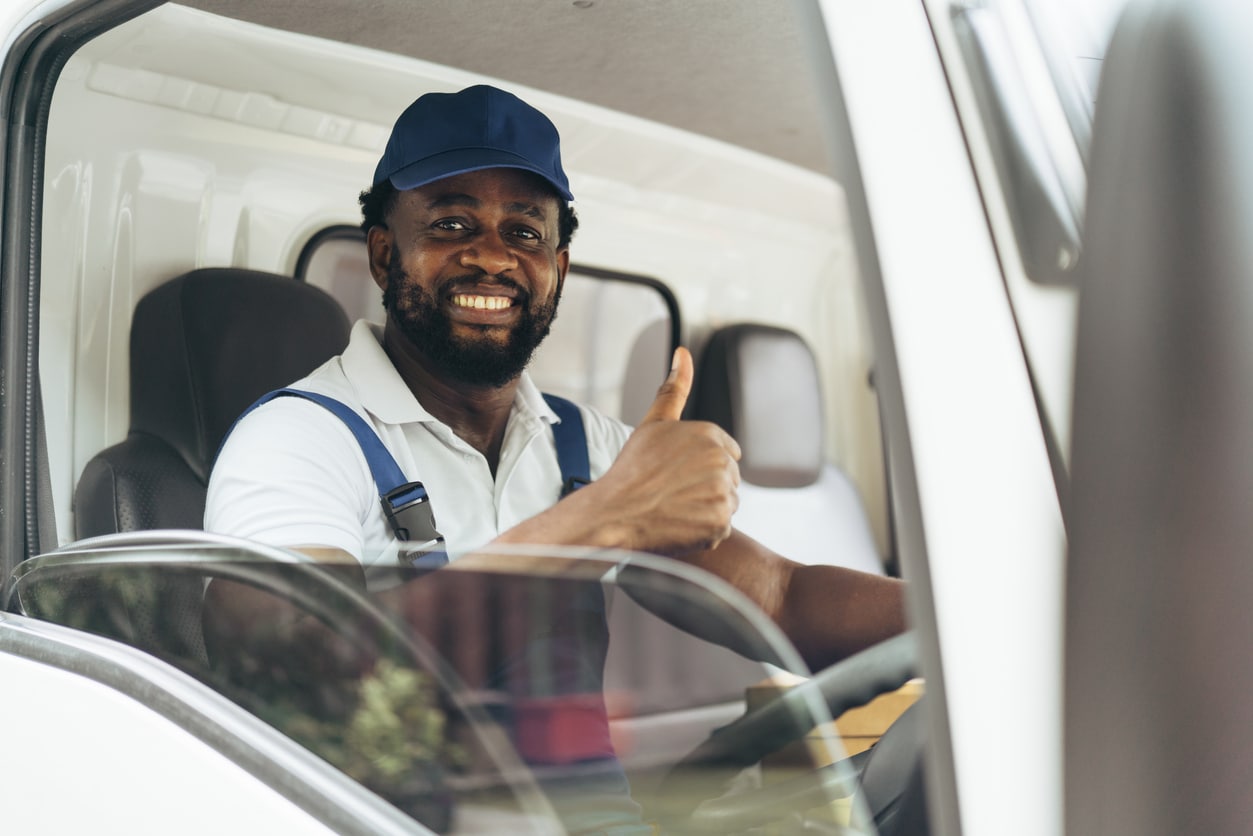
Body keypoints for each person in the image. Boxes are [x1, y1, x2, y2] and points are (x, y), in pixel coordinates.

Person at [204, 83, 905, 675]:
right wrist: (604, 520)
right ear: (385, 256)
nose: (491, 257)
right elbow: (289, 661)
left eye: (524, 232)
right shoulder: (297, 439)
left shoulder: (590, 447)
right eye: (451, 223)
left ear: (558, 269)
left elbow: (781, 599)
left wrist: (971, 625)